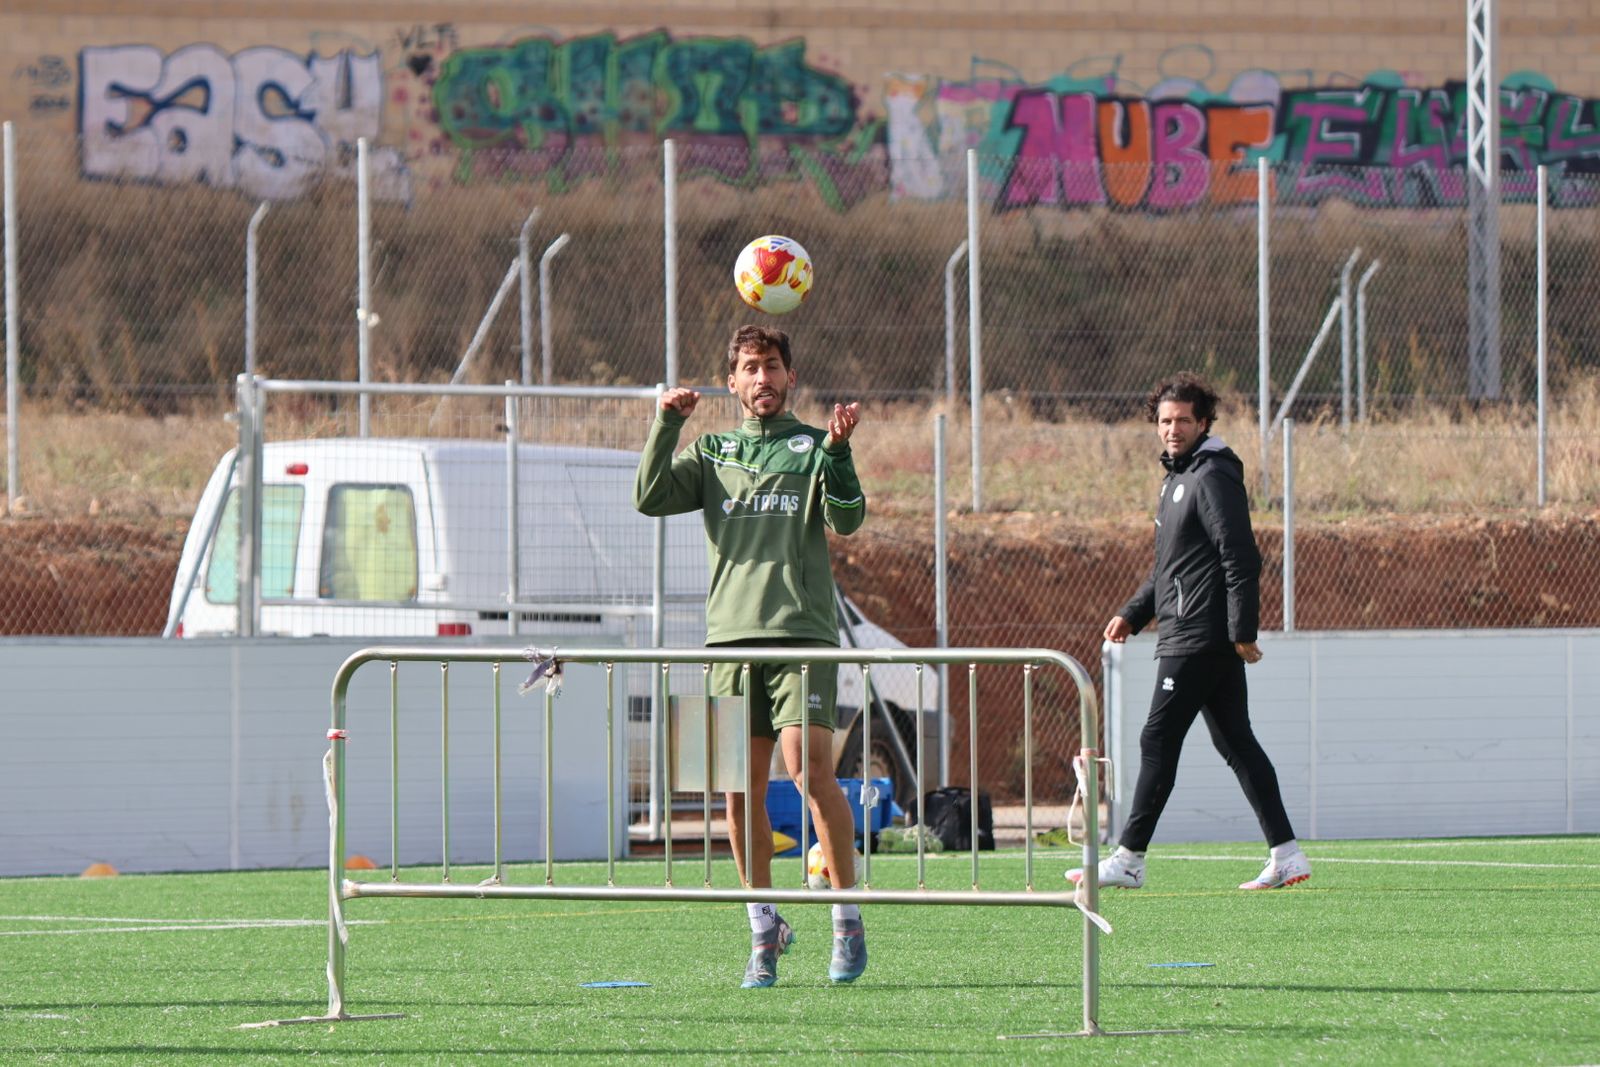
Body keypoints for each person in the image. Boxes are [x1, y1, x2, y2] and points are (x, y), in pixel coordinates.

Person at [633, 324, 869, 987]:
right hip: (728, 642)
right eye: (750, 367)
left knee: (809, 770)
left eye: (772, 366)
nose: (762, 377)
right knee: (735, 792)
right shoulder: (713, 450)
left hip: (801, 636)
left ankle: (848, 918)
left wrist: (839, 453)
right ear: (732, 382)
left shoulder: (814, 445)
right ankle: (764, 929)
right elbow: (649, 496)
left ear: (790, 376)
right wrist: (666, 424)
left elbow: (848, 519)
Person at [1069, 372, 1311, 892]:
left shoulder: (1211, 475)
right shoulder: (1178, 478)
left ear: (1203, 423)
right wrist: (1134, 613)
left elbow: (1240, 555)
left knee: (1157, 738)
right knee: (1237, 743)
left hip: (1200, 634)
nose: (1172, 429)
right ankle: (1287, 855)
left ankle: (1129, 859)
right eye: (1165, 421)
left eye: (1182, 420)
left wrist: (1242, 629)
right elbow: (1171, 568)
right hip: (1193, 631)